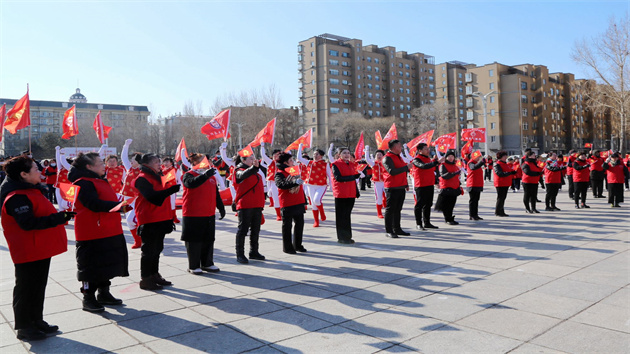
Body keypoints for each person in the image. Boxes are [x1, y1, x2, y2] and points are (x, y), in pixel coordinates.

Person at [1, 156, 72, 341]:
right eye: (35, 169)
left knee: (38, 286)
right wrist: (58, 218)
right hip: (27, 250)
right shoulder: (16, 197)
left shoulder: (30, 191)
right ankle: (24, 326)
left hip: (38, 248)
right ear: (23, 174)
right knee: (26, 288)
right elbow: (27, 223)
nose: (40, 171)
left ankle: (36, 320)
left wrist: (60, 215)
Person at [68, 153, 129, 312]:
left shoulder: (99, 179)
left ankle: (104, 293)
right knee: (90, 267)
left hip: (107, 229)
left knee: (106, 263)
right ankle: (88, 298)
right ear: (89, 167)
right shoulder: (83, 183)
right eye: (100, 163)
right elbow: (93, 204)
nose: (104, 165)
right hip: (91, 231)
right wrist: (118, 207)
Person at [134, 153, 181, 290]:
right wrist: (170, 190)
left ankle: (154, 274)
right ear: (147, 164)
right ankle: (146, 278)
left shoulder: (158, 176)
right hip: (149, 219)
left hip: (161, 217)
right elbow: (153, 197)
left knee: (157, 249)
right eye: (156, 162)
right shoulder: (142, 179)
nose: (159, 164)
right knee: (148, 250)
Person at [181, 153, 225, 274]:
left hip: (209, 213)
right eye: (203, 160)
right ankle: (193, 265)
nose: (207, 162)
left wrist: (221, 207)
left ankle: (207, 263)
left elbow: (216, 193)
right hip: (193, 214)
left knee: (208, 239)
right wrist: (205, 176)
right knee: (194, 241)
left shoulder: (211, 176)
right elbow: (191, 184)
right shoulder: (188, 175)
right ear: (195, 163)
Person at [233, 153, 266, 263]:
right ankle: (240, 254)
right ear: (243, 159)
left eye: (253, 158)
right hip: (245, 205)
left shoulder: (256, 170)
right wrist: (253, 168)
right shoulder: (238, 170)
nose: (253, 160)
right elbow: (242, 175)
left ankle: (254, 251)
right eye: (251, 158)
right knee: (243, 230)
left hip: (256, 204)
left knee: (256, 230)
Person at [275, 152, 307, 253]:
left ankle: (298, 245)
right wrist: (293, 182)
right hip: (287, 202)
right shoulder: (279, 173)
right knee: (287, 226)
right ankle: (287, 247)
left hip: (298, 200)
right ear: (285, 162)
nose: (293, 162)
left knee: (299, 224)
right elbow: (280, 184)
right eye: (291, 161)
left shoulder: (293, 170)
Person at [382, 140, 412, 238]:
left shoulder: (399, 157)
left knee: (398, 209)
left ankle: (397, 228)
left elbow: (403, 172)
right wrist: (406, 167)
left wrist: (406, 184)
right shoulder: (387, 158)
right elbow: (392, 171)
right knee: (390, 209)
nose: (401, 148)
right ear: (394, 147)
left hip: (400, 186)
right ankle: (389, 230)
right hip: (392, 187)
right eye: (399, 146)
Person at [331, 147, 360, 244]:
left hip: (350, 193)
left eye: (348, 153)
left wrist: (356, 191)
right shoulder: (335, 164)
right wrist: (353, 177)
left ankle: (348, 236)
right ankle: (341, 237)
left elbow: (354, 180)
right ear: (339, 154)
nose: (347, 155)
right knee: (341, 216)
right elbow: (338, 178)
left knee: (347, 215)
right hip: (341, 194)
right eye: (344, 153)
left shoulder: (352, 164)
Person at [297, 144, 331, 227]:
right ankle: (316, 221)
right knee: (313, 203)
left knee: (317, 200)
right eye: (314, 154)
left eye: (317, 154)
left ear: (321, 156)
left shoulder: (325, 164)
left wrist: (331, 186)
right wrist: (300, 147)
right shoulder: (309, 162)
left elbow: (330, 175)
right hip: (310, 185)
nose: (315, 156)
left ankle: (322, 213)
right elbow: (299, 158)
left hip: (321, 185)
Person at [412, 143, 442, 229]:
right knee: (419, 205)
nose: (428, 150)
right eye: (426, 149)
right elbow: (424, 166)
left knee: (428, 204)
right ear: (420, 150)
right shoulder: (416, 160)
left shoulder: (428, 159)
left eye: (428, 149)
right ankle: (419, 223)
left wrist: (436, 181)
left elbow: (432, 171)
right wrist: (436, 162)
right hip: (421, 185)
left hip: (429, 184)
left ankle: (427, 222)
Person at [121, 139, 143, 249]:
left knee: (132, 219)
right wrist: (126, 145)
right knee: (129, 221)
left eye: (133, 160)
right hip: (126, 197)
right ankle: (137, 241)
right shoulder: (129, 169)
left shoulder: (143, 171)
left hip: (137, 198)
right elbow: (123, 158)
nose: (131, 162)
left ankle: (144, 235)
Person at [435, 150, 461, 225]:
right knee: (447, 205)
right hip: (447, 187)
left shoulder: (455, 165)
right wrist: (454, 173)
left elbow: (457, 177)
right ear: (446, 157)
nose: (450, 158)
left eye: (452, 156)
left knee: (452, 204)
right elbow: (443, 175)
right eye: (449, 156)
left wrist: (459, 184)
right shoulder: (443, 165)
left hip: (454, 187)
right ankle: (448, 218)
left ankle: (450, 218)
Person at [260, 144, 283, 220]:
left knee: (284, 198)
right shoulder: (271, 162)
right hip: (274, 182)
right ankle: (278, 215)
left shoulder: (284, 162)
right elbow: (263, 155)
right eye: (277, 154)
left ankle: (284, 213)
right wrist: (262, 146)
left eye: (279, 154)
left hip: (283, 182)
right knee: (276, 198)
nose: (278, 156)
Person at [365, 147, 387, 218]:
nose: (379, 156)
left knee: (387, 196)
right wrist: (367, 151)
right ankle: (379, 213)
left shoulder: (385, 163)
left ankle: (387, 209)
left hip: (386, 182)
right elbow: (367, 159)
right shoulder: (373, 163)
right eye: (377, 154)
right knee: (378, 197)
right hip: (377, 183)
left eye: (380, 154)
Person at [493, 151, 516, 217]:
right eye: (504, 156)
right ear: (500, 157)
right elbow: (499, 173)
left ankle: (501, 211)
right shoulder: (497, 164)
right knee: (500, 198)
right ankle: (498, 212)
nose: (506, 157)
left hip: (505, 183)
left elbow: (507, 171)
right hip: (500, 183)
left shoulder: (505, 163)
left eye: (506, 156)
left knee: (503, 198)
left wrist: (512, 172)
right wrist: (509, 173)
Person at [466, 152, 485, 220]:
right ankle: (472, 215)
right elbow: (473, 167)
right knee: (473, 201)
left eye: (479, 157)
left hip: (478, 184)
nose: (478, 158)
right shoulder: (471, 163)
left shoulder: (476, 163)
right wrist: (481, 163)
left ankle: (475, 214)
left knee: (476, 200)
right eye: (477, 157)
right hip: (472, 184)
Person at [161, 157, 180, 223]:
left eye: (167, 162)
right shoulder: (161, 170)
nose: (165, 163)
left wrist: (178, 188)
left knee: (172, 203)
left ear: (171, 163)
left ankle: (173, 217)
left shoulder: (175, 170)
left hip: (172, 189)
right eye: (164, 162)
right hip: (163, 189)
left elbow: (179, 180)